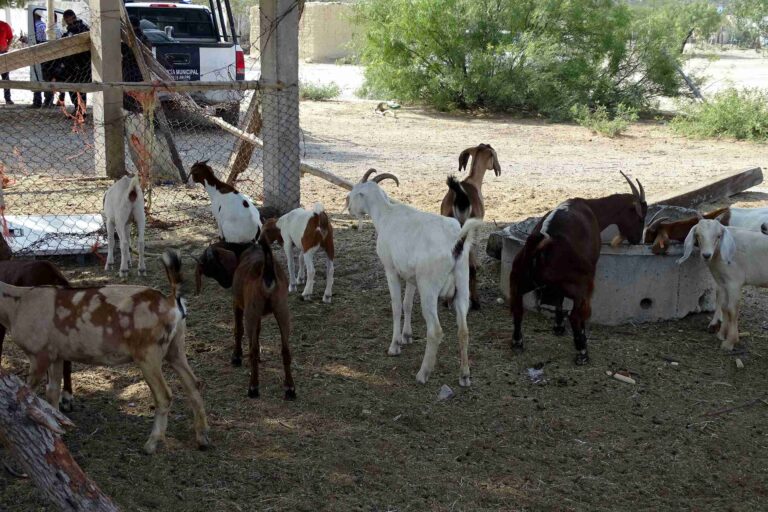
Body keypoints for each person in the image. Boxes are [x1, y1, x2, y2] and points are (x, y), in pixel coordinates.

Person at [61, 10, 90, 115]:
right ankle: (79, 108)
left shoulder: (80, 28)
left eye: (67, 19)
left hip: (79, 63)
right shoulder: (73, 29)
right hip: (73, 63)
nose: (66, 21)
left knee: (79, 87)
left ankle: (81, 109)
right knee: (74, 87)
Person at [0, 19, 14, 105]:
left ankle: (8, 99)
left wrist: (7, 47)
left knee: (5, 77)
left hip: (3, 54)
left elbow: (11, 37)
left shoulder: (4, 25)